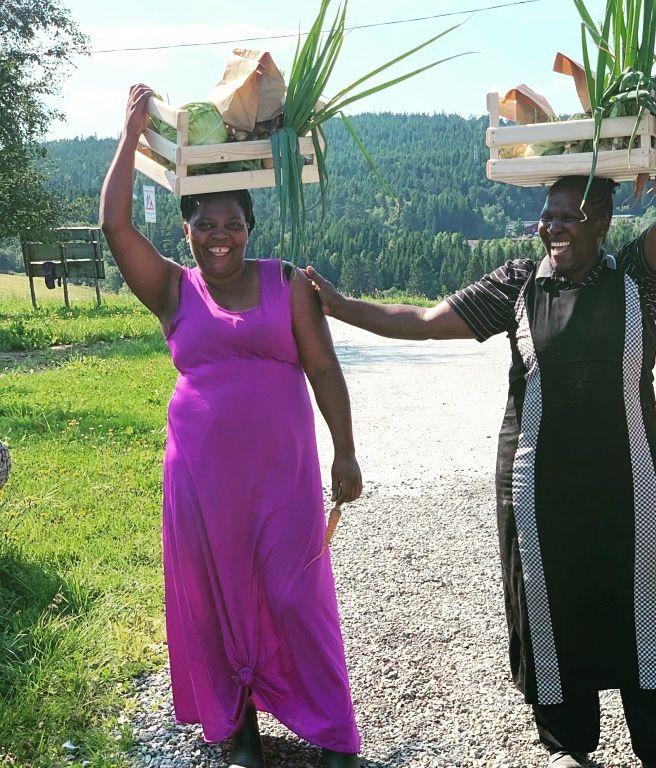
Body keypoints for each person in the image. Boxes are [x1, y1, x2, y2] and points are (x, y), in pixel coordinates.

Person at [307, 90, 656, 768]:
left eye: (567, 215)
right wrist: (341, 305)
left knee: (644, 597)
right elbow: (422, 320)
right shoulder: (518, 285)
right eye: (547, 213)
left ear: (602, 220)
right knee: (550, 602)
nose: (550, 225)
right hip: (538, 485)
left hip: (628, 479)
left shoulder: (637, 277)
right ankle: (565, 744)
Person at [100, 84, 362, 768]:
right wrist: (130, 134)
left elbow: (326, 372)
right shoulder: (172, 290)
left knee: (294, 591)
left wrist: (346, 454)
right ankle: (236, 726)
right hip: (200, 477)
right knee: (215, 598)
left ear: (251, 226)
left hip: (284, 475)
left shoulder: (287, 282)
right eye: (204, 224)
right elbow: (115, 228)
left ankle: (333, 728)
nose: (219, 237)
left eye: (233, 223)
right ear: (185, 228)